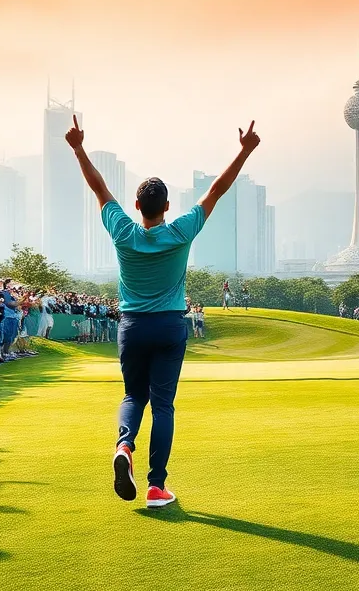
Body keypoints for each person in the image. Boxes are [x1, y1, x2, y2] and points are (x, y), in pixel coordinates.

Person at [68, 115, 259, 509]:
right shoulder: (180, 231)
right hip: (170, 325)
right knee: (164, 404)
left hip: (132, 325)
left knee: (133, 395)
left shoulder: (123, 230)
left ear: (136, 205)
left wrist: (78, 147)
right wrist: (245, 150)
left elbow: (99, 188)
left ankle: (124, 446)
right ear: (168, 206)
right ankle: (156, 486)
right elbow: (216, 191)